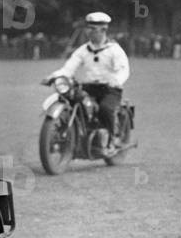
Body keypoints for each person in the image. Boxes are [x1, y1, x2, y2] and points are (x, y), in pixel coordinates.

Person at [42, 11, 130, 154]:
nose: (89, 33)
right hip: (88, 88)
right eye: (88, 29)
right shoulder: (83, 50)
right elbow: (68, 68)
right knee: (72, 102)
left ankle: (113, 140)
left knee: (105, 109)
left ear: (103, 30)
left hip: (109, 90)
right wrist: (53, 76)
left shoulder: (114, 50)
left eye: (93, 29)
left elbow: (123, 70)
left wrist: (116, 81)